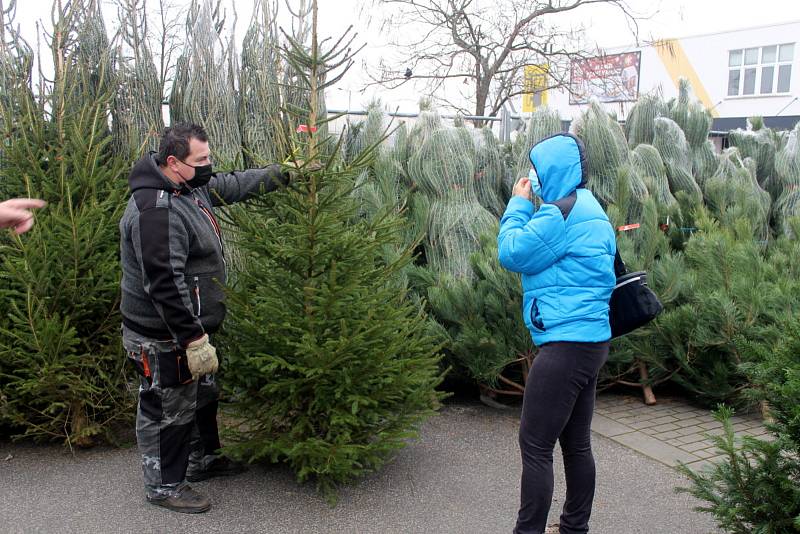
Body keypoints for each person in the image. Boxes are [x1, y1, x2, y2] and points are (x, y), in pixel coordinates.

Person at [119, 123, 289, 514]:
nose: (209, 165)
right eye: (202, 160)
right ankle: (164, 486)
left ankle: (201, 461)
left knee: (202, 397)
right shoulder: (156, 212)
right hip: (165, 334)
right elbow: (163, 285)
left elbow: (231, 185)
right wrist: (192, 340)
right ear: (174, 162)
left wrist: (284, 172)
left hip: (196, 328)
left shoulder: (189, 187)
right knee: (167, 408)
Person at [497, 133, 616, 534]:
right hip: (593, 341)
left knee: (535, 447)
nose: (534, 177)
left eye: (537, 170)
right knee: (577, 443)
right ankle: (573, 528)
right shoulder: (592, 208)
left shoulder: (558, 214)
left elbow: (512, 252)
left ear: (552, 170)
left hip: (564, 346)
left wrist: (518, 202)